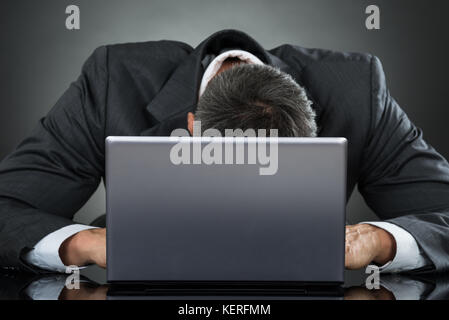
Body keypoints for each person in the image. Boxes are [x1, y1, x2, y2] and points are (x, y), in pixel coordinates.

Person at [0, 29, 448, 274]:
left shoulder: (358, 90)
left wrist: (382, 240)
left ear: (313, 134)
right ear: (192, 131)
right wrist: (82, 243)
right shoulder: (110, 80)